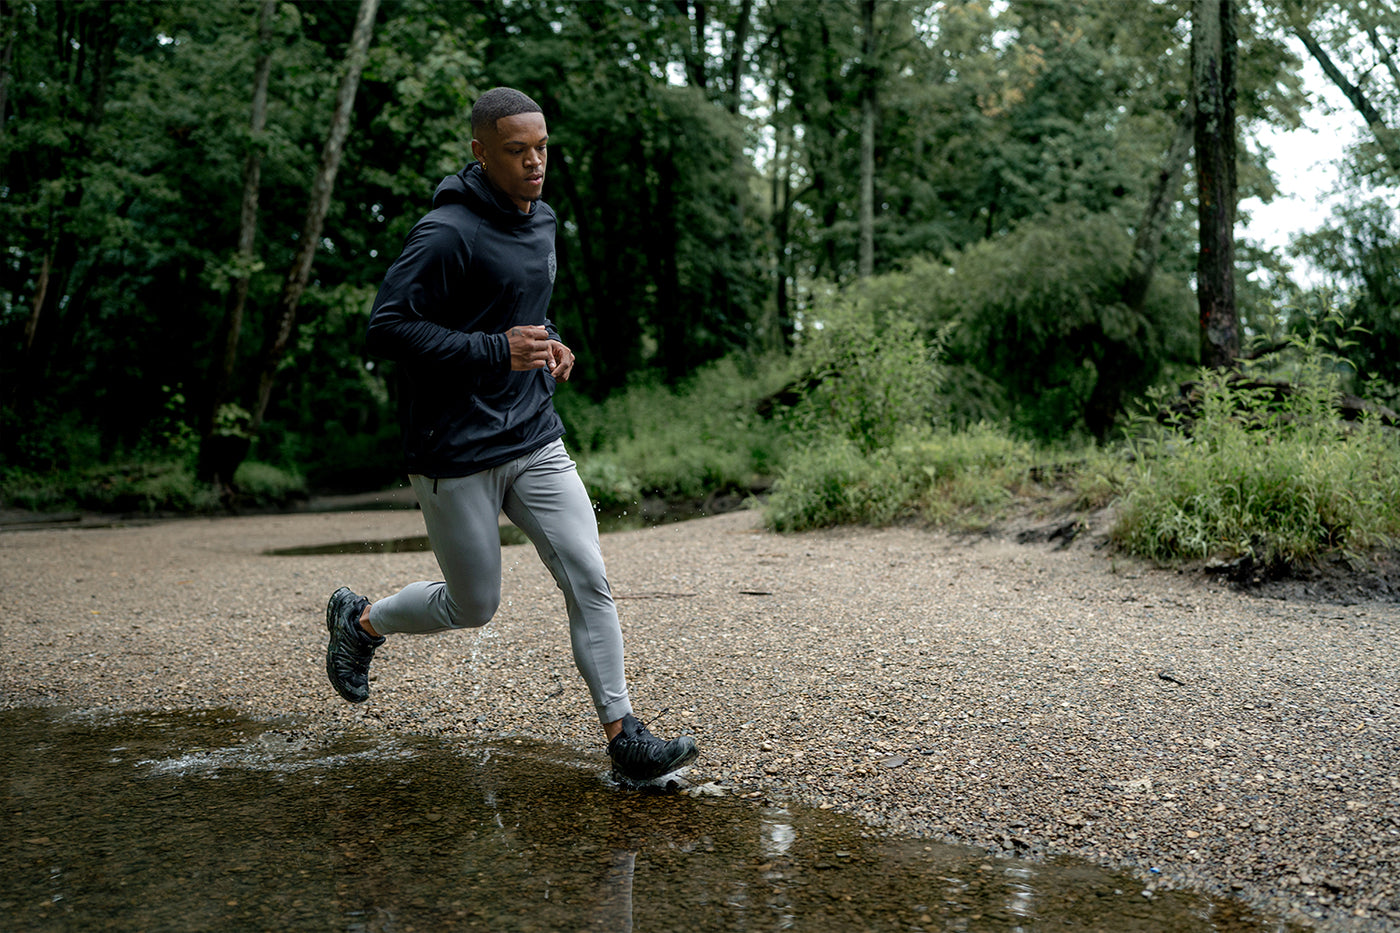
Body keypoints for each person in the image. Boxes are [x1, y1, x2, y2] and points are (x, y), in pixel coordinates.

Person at [323, 87, 698, 783]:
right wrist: (496, 349)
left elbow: (521, 311)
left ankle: (626, 742)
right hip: (454, 448)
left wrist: (551, 342)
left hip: (532, 431)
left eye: (542, 147)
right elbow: (386, 329)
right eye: (516, 151)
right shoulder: (444, 233)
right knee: (474, 605)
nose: (534, 163)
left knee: (588, 574)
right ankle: (362, 621)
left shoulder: (543, 219)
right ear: (480, 153)